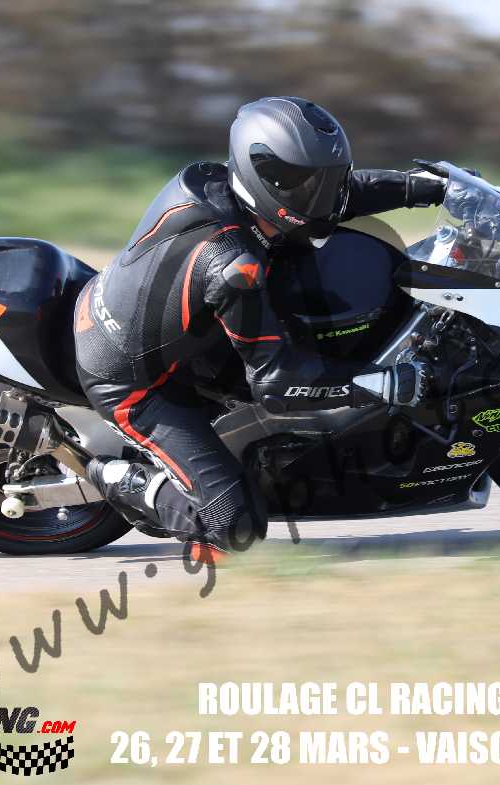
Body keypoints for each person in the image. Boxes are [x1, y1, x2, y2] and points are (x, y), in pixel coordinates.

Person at [73, 96, 446, 561]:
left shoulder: (225, 185)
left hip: (175, 333)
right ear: (266, 178)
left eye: (327, 180)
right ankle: (122, 480)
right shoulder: (234, 266)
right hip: (134, 380)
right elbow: (277, 385)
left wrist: (431, 188)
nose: (325, 197)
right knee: (237, 530)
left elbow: (347, 194)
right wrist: (383, 383)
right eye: (307, 184)